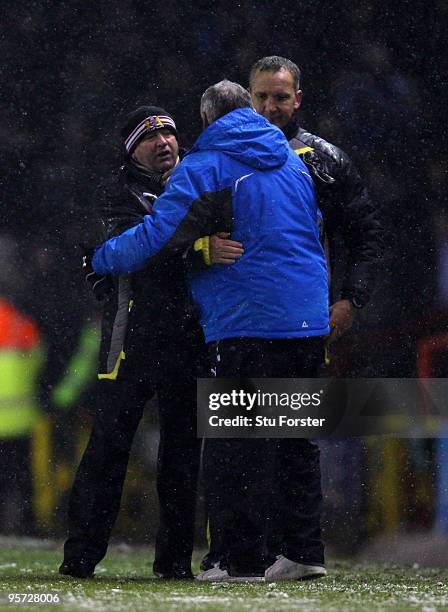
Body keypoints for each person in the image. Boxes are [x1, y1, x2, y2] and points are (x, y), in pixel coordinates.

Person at [91, 80, 330, 581]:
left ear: (205, 120)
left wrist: (101, 257)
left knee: (235, 442)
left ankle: (239, 560)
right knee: (295, 438)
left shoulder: (204, 166)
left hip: (248, 319)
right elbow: (312, 230)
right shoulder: (294, 162)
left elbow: (155, 238)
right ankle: (304, 552)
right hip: (308, 316)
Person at [201, 56, 383, 578]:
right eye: (261, 96)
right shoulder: (225, 155)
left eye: (280, 97)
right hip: (237, 318)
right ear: (247, 99)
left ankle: (291, 551)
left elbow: (366, 234)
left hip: (296, 321)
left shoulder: (321, 160)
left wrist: (352, 299)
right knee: (238, 438)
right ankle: (242, 553)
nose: (270, 106)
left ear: (298, 99)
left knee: (284, 437)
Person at [59, 106, 225, 580]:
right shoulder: (114, 193)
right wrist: (196, 246)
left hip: (187, 337)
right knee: (108, 448)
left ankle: (174, 563)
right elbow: (125, 253)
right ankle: (80, 557)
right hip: (129, 337)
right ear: (132, 149)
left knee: (182, 454)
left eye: (170, 133)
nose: (165, 142)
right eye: (152, 137)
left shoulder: (197, 181)